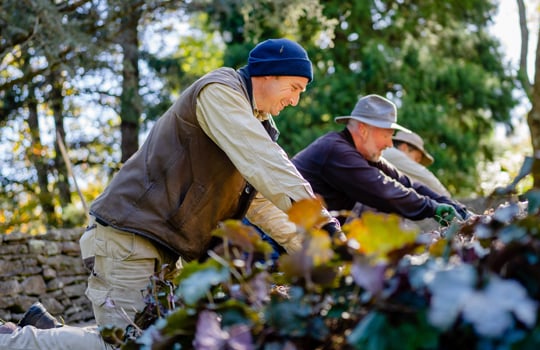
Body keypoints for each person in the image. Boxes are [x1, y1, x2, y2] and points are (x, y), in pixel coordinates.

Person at [0, 38, 340, 349]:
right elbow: (265, 162)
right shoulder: (219, 92)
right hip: (130, 235)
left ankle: (41, 329)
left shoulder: (251, 123)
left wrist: (323, 253)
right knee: (125, 345)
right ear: (268, 75)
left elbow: (264, 203)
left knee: (156, 340)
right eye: (294, 87)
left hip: (164, 247)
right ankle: (15, 342)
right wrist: (324, 224)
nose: (295, 100)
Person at [291, 94, 470, 226]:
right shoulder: (336, 150)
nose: (390, 143)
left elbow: (408, 184)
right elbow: (384, 191)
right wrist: (432, 208)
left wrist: (457, 208)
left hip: (311, 237)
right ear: (363, 130)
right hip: (283, 241)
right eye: (387, 135)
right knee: (383, 206)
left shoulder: (365, 154)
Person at [382, 130, 451, 197]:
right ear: (404, 148)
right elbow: (426, 177)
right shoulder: (393, 154)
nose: (416, 163)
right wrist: (448, 198)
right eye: (416, 158)